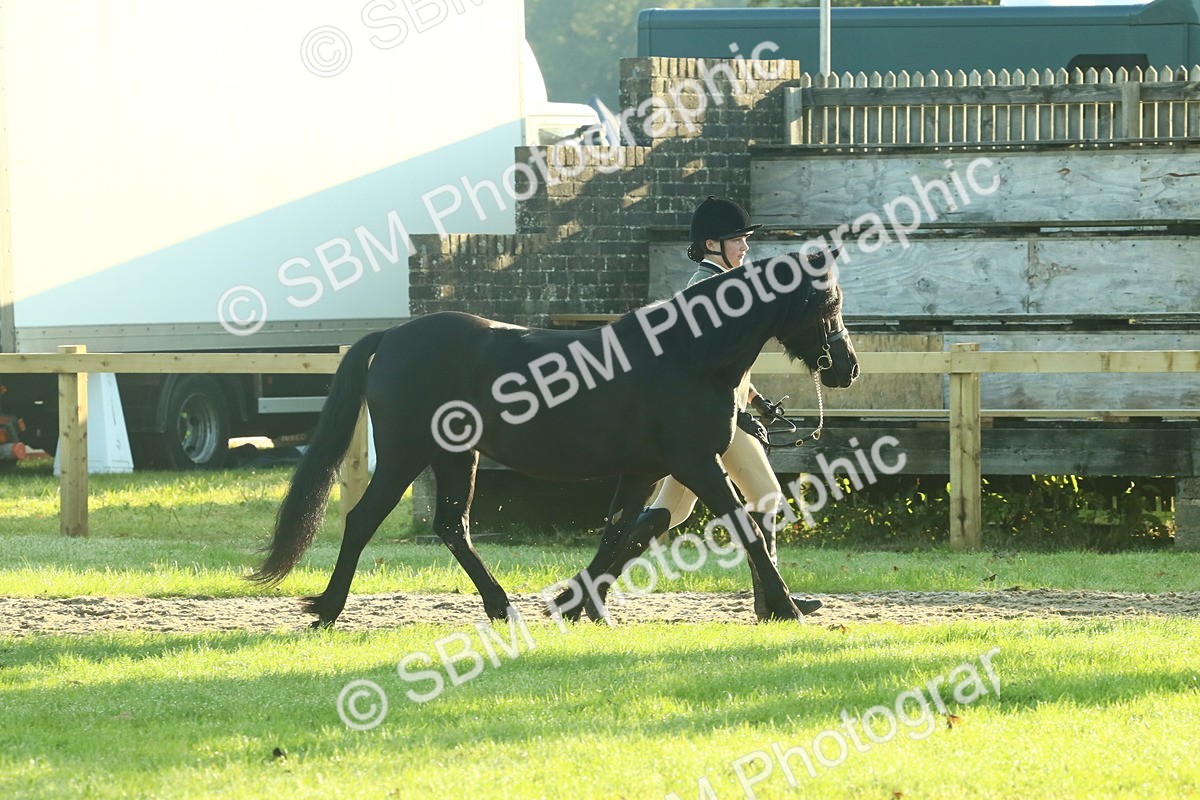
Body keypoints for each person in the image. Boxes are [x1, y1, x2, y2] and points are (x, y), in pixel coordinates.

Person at [625, 196, 823, 617]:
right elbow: (701, 368)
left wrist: (756, 399)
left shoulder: (725, 287)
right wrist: (739, 415)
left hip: (714, 418)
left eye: (746, 239)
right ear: (712, 244)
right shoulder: (707, 291)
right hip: (713, 422)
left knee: (670, 512)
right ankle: (773, 601)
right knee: (766, 496)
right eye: (738, 239)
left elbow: (728, 363)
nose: (746, 247)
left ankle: (592, 582)